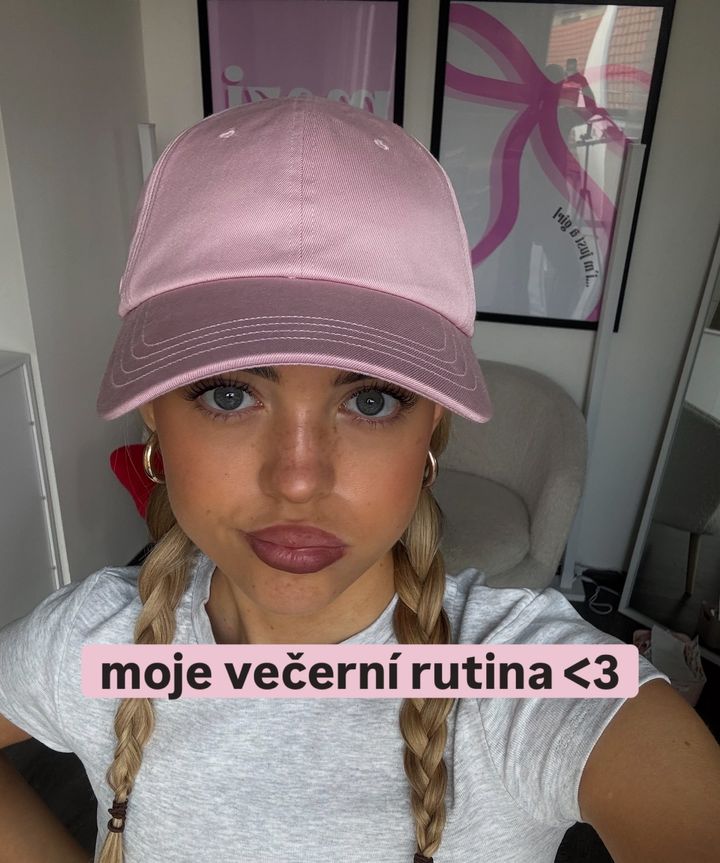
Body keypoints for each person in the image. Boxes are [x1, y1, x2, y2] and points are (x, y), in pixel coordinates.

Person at [0, 95, 719, 863]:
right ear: (153, 412)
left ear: (431, 426)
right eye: (229, 394)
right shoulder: (89, 642)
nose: (298, 479)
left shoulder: (530, 683)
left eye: (371, 400)